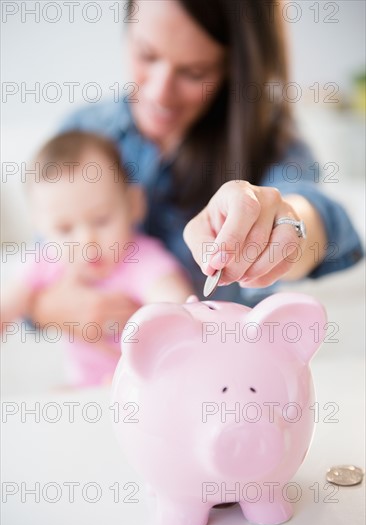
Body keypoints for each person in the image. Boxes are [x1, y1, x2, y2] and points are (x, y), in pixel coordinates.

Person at [29, 0, 363, 338]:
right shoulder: (82, 133)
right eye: (147, 54)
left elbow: (322, 220)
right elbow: (39, 262)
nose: (160, 92)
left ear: (233, 67)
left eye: (194, 72)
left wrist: (286, 222)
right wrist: (46, 308)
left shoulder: (271, 145)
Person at [1, 130, 193, 387]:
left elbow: (175, 303)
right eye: (64, 229)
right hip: (81, 387)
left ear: (134, 205)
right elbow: (7, 305)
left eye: (101, 220)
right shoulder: (44, 259)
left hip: (140, 385)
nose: (86, 241)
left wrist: (181, 314)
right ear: (39, 226)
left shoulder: (139, 258)